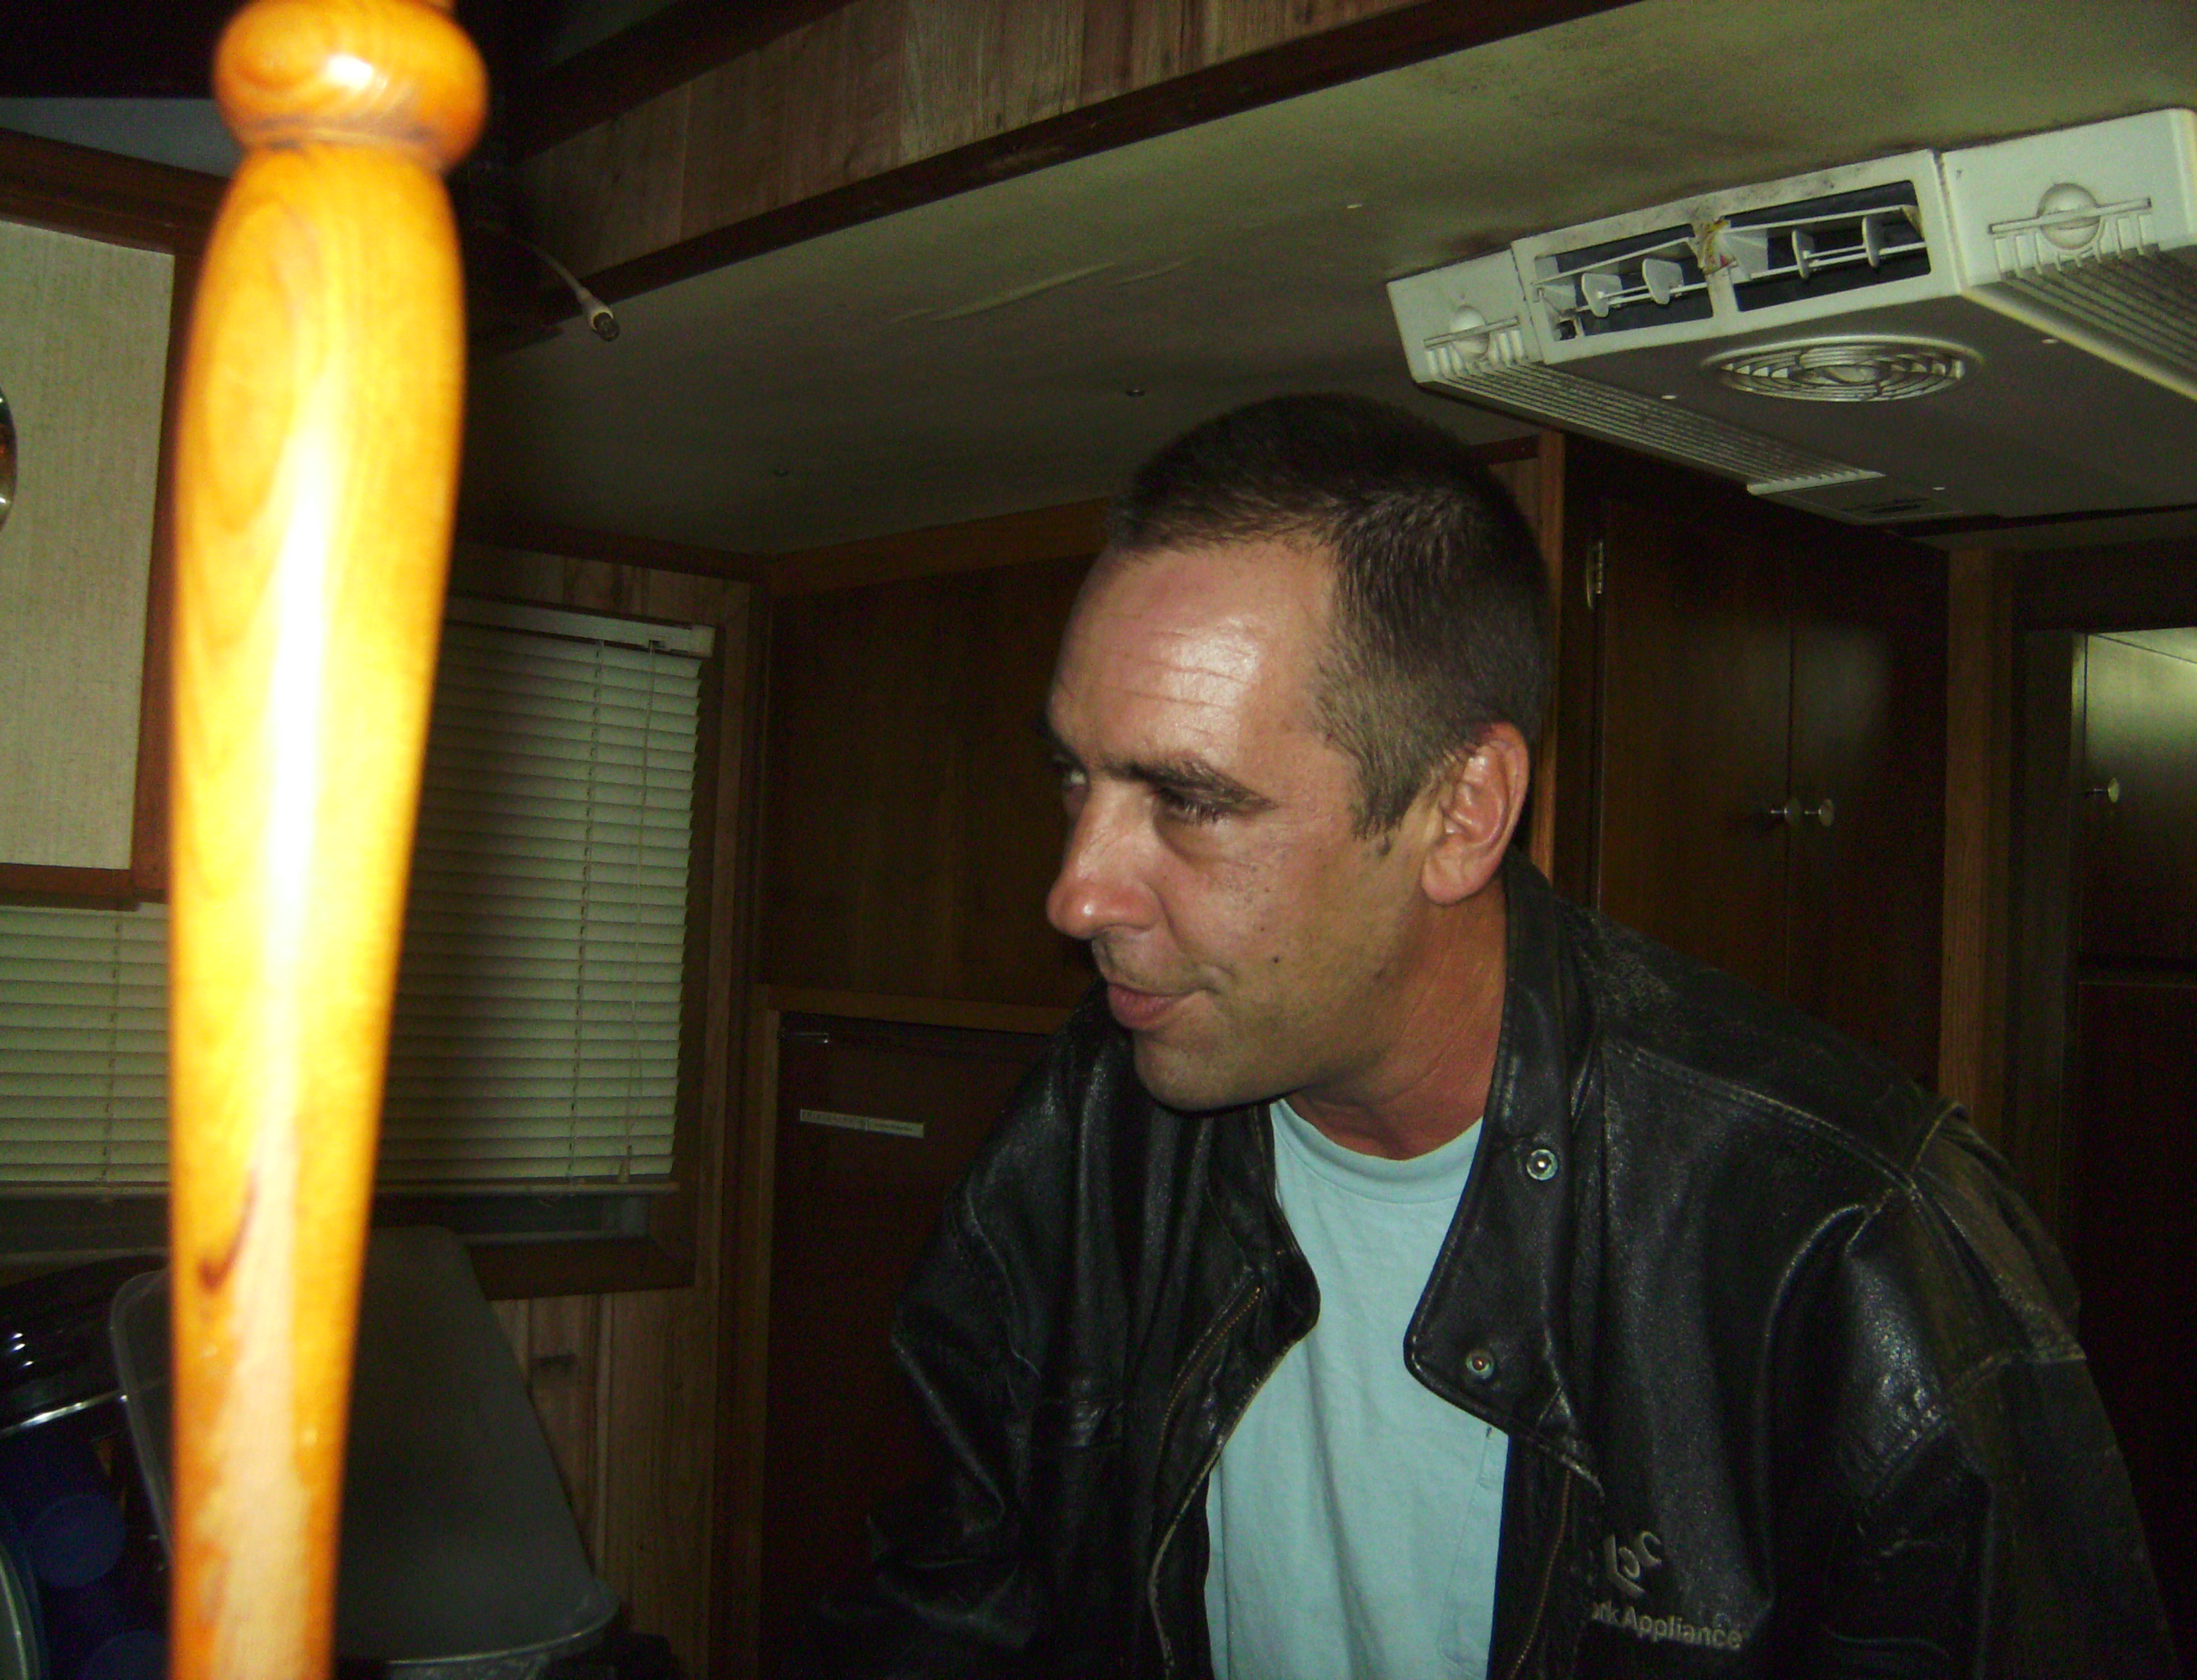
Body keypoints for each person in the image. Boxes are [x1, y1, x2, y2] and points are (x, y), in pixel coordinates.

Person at [795, 394, 2175, 1677]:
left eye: (1192, 801)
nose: (1077, 892)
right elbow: (951, 1608)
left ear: (1460, 813)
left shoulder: (1845, 1232)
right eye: (1076, 777)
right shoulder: (1094, 1124)